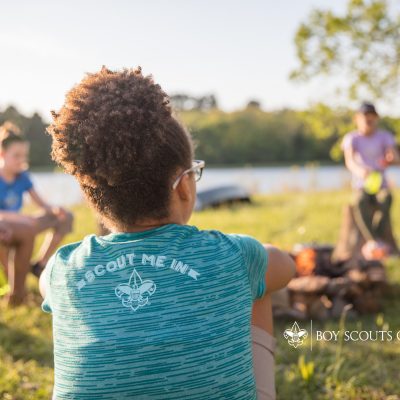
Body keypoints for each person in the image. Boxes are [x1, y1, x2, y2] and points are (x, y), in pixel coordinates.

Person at [40, 66, 296, 399]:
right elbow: (286, 267)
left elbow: (46, 286)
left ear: (92, 197)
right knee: (257, 283)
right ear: (184, 186)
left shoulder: (64, 270)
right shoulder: (235, 255)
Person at [0, 122, 73, 306]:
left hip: (24, 224)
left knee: (65, 217)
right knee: (20, 233)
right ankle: (16, 292)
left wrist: (54, 210)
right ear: (2, 154)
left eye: (24, 155)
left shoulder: (23, 176)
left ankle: (38, 264)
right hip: (5, 226)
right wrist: (21, 218)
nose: (22, 160)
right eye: (16, 156)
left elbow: (40, 203)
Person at [342, 102, 400, 254]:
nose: (369, 120)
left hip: (381, 185)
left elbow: (395, 157)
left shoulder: (384, 136)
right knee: (360, 202)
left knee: (386, 198)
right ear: (357, 119)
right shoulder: (352, 138)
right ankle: (373, 241)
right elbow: (349, 161)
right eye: (365, 117)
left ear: (376, 118)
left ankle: (378, 240)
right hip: (361, 185)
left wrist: (391, 159)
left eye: (372, 117)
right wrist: (361, 171)